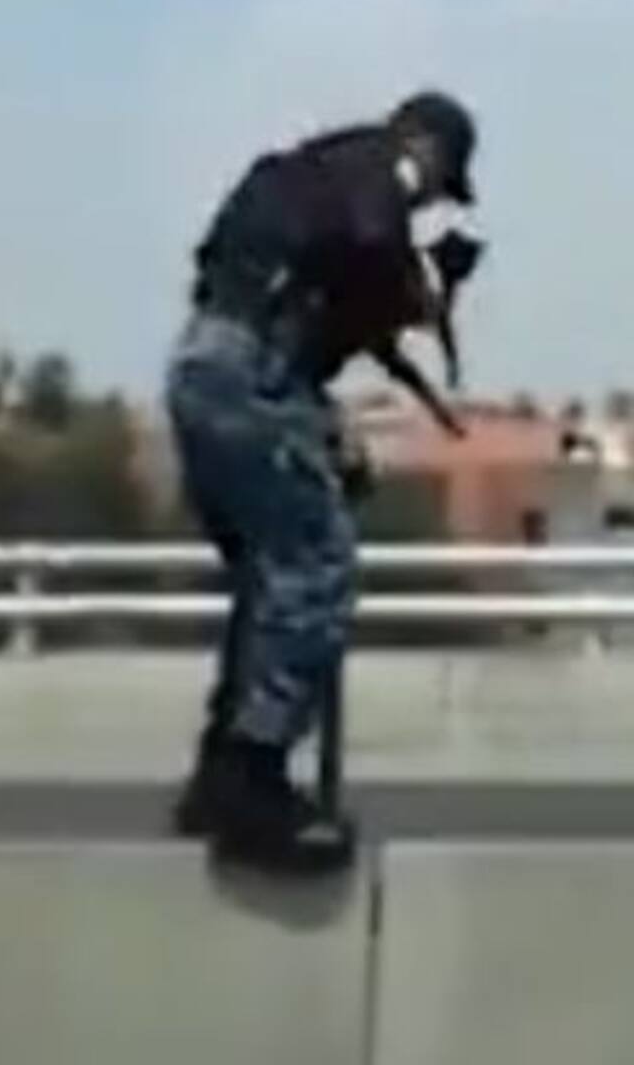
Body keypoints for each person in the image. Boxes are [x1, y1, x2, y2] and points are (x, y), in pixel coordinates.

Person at [165, 91, 484, 875]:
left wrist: (323, 410)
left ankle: (221, 772)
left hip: (205, 369)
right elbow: (373, 244)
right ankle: (253, 781)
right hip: (250, 372)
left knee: (268, 580)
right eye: (437, 187)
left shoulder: (303, 177)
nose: (428, 203)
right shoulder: (379, 171)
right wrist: (414, 291)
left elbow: (301, 297)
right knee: (315, 564)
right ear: (428, 151)